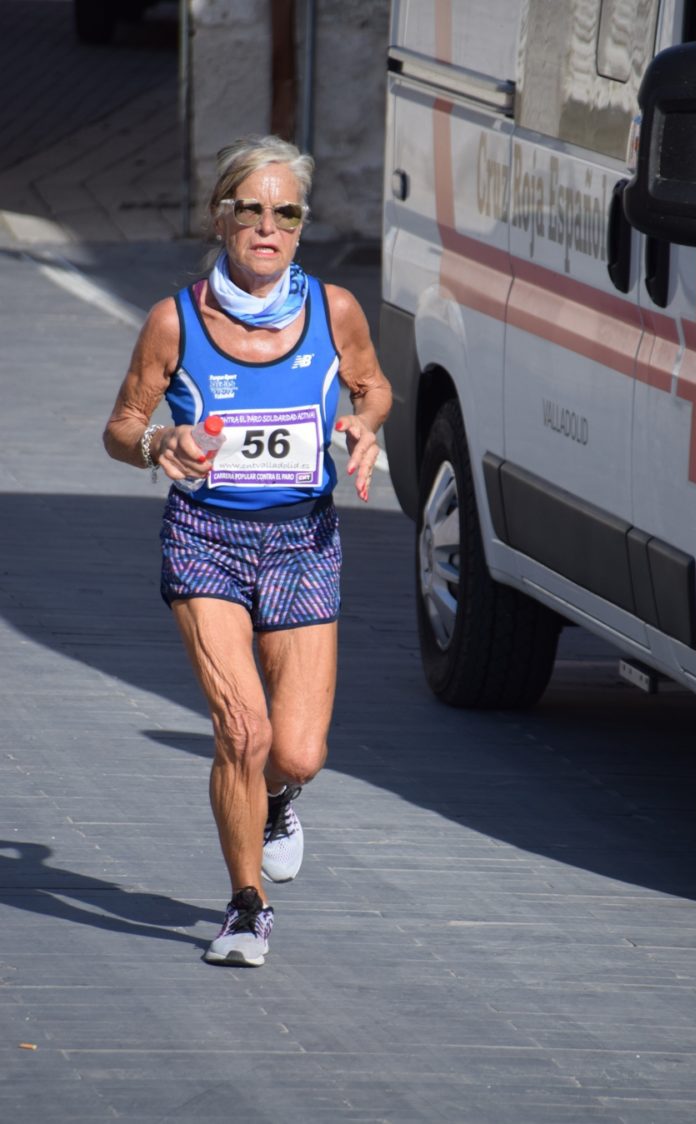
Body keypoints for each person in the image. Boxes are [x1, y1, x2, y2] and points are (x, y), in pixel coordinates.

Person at [103, 135, 392, 966]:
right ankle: (245, 907)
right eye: (252, 209)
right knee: (240, 726)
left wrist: (364, 427)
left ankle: (278, 801)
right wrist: (161, 442)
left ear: (302, 226)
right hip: (206, 540)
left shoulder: (335, 310)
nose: (269, 226)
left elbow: (374, 386)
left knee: (296, 750)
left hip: (303, 538)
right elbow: (119, 426)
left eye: (287, 212)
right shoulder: (175, 320)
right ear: (222, 217)